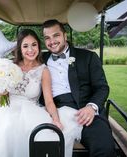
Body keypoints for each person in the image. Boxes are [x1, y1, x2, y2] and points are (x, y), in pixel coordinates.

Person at [0, 29, 82, 157]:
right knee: (7, 128)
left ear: (38, 46)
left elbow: (49, 101)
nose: (30, 50)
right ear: (20, 48)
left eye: (34, 45)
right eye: (25, 46)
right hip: (7, 111)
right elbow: (0, 101)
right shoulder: (8, 66)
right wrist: (2, 92)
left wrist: (56, 120)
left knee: (43, 135)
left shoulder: (43, 70)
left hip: (31, 112)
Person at [41, 19, 116, 157]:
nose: (52, 41)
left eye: (56, 35)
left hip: (86, 112)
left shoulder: (88, 57)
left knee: (104, 148)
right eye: (47, 38)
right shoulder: (40, 60)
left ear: (65, 36)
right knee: (44, 148)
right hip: (56, 113)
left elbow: (102, 87)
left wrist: (91, 107)